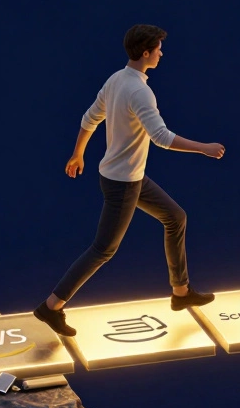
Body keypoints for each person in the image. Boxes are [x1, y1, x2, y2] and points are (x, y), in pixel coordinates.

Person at [35, 24, 225, 337]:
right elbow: (161, 137)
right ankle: (51, 306)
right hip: (123, 184)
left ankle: (181, 292)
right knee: (103, 250)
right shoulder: (139, 91)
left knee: (176, 217)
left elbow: (89, 118)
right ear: (145, 52)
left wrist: (78, 154)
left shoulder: (116, 80)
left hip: (125, 176)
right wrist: (203, 148)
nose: (162, 53)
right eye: (159, 49)